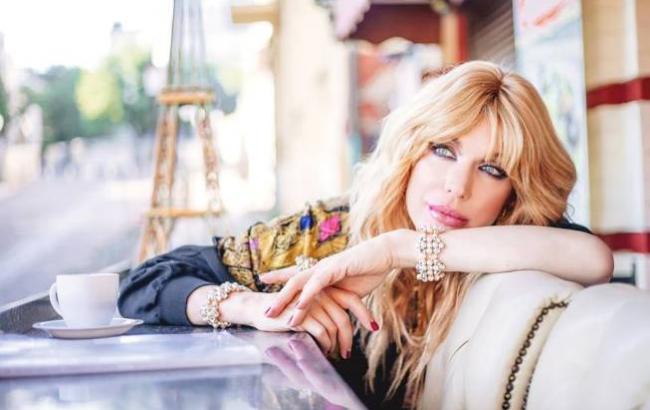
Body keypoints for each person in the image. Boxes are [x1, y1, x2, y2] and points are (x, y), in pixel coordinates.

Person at [118, 61, 614, 409]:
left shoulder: (506, 242)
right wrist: (250, 306)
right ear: (410, 149)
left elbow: (594, 259)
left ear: (512, 192)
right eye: (443, 150)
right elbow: (145, 282)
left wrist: (399, 249)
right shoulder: (332, 230)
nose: (457, 186)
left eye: (491, 169)